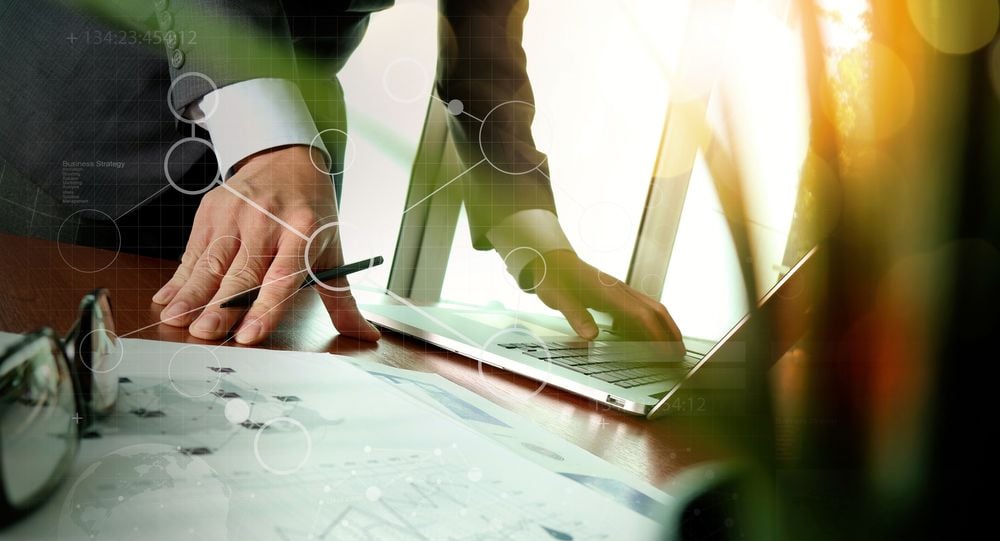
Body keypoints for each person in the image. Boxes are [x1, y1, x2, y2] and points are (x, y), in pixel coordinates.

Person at [0, 0, 681, 347]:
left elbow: (486, 34)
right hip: (80, 126)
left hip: (297, 167)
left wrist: (532, 231)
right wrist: (261, 132)